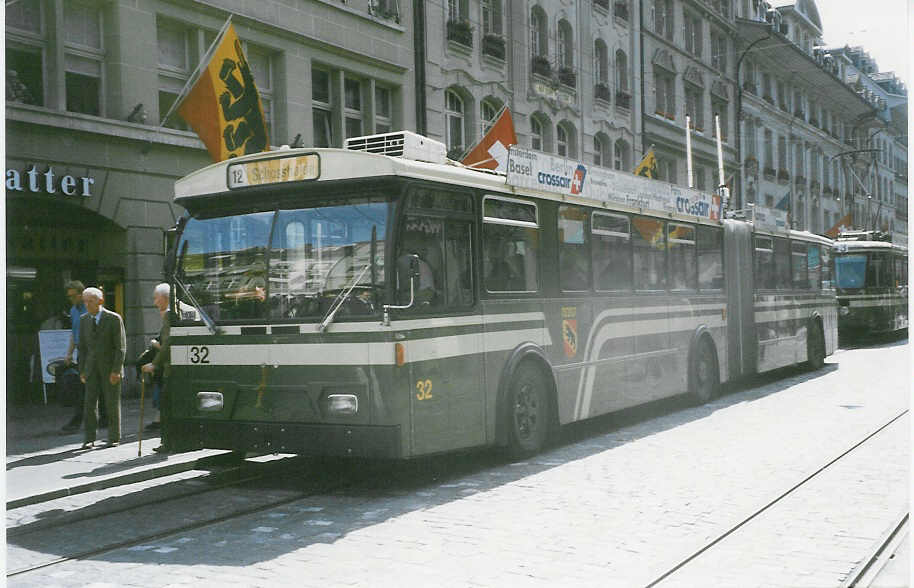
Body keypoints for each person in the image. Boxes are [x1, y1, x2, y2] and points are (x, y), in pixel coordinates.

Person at [78, 287, 126, 449]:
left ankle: (114, 437)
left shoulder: (113, 319)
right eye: (85, 301)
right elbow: (82, 348)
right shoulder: (84, 320)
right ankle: (89, 438)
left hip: (110, 368)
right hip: (91, 368)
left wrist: (116, 370)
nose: (87, 305)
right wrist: (82, 370)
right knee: (89, 404)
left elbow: (120, 347)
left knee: (112, 403)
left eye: (90, 301)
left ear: (100, 301)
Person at [142, 283, 175, 453]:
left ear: (164, 297)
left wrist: (154, 363)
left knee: (166, 406)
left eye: (156, 298)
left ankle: (168, 442)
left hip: (170, 368)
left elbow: (169, 342)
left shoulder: (170, 313)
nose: (155, 302)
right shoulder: (181, 309)